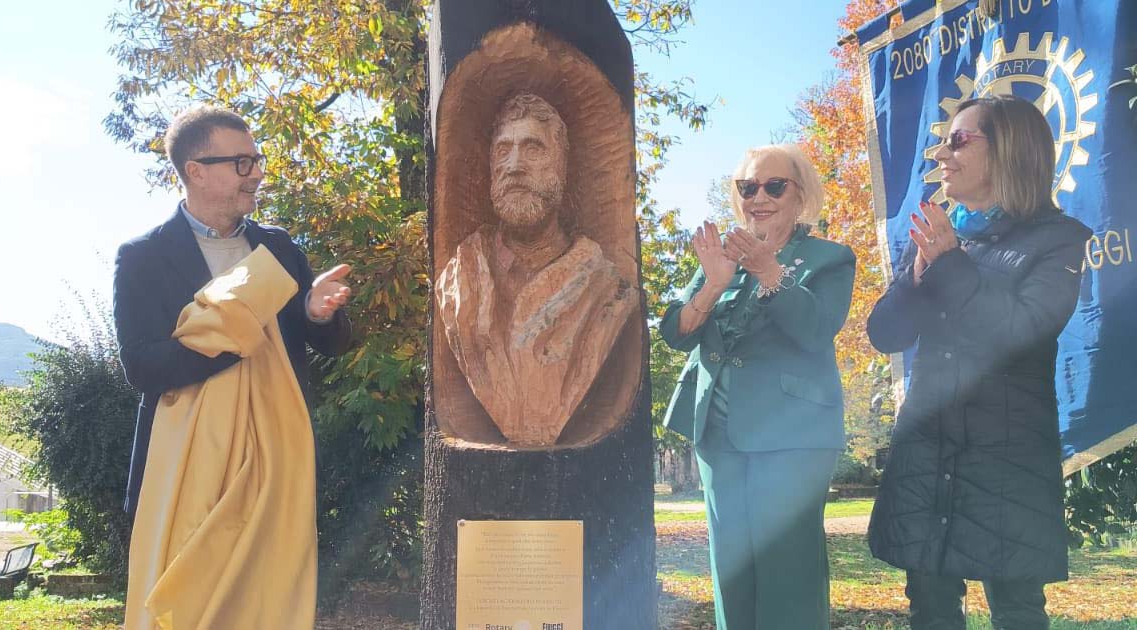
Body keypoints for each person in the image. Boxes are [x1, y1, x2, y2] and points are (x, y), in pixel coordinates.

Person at [115, 105, 355, 629]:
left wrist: (315, 312)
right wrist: (238, 333)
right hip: (185, 471)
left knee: (268, 605)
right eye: (242, 163)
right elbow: (142, 367)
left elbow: (323, 342)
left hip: (274, 465)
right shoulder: (143, 257)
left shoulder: (278, 247)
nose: (257, 174)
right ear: (195, 169)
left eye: (257, 160)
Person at [866, 95, 1091, 629]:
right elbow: (885, 333)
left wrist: (949, 264)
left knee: (1015, 608)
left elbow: (1021, 332)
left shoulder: (1057, 240)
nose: (941, 153)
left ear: (1009, 151)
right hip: (929, 446)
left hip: (1005, 456)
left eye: (959, 140)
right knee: (930, 603)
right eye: (944, 140)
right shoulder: (940, 234)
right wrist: (918, 277)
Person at [660, 144, 856, 629]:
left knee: (789, 574)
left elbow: (815, 329)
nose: (758, 197)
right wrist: (711, 284)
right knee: (732, 570)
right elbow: (675, 334)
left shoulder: (829, 258)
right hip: (717, 436)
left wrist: (770, 273)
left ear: (800, 193)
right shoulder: (722, 255)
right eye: (747, 187)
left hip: (792, 438)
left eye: (773, 185)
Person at [434, 92, 637, 446]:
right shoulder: (459, 279)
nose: (514, 165)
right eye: (503, 150)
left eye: (533, 148)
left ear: (562, 165)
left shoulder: (606, 289)